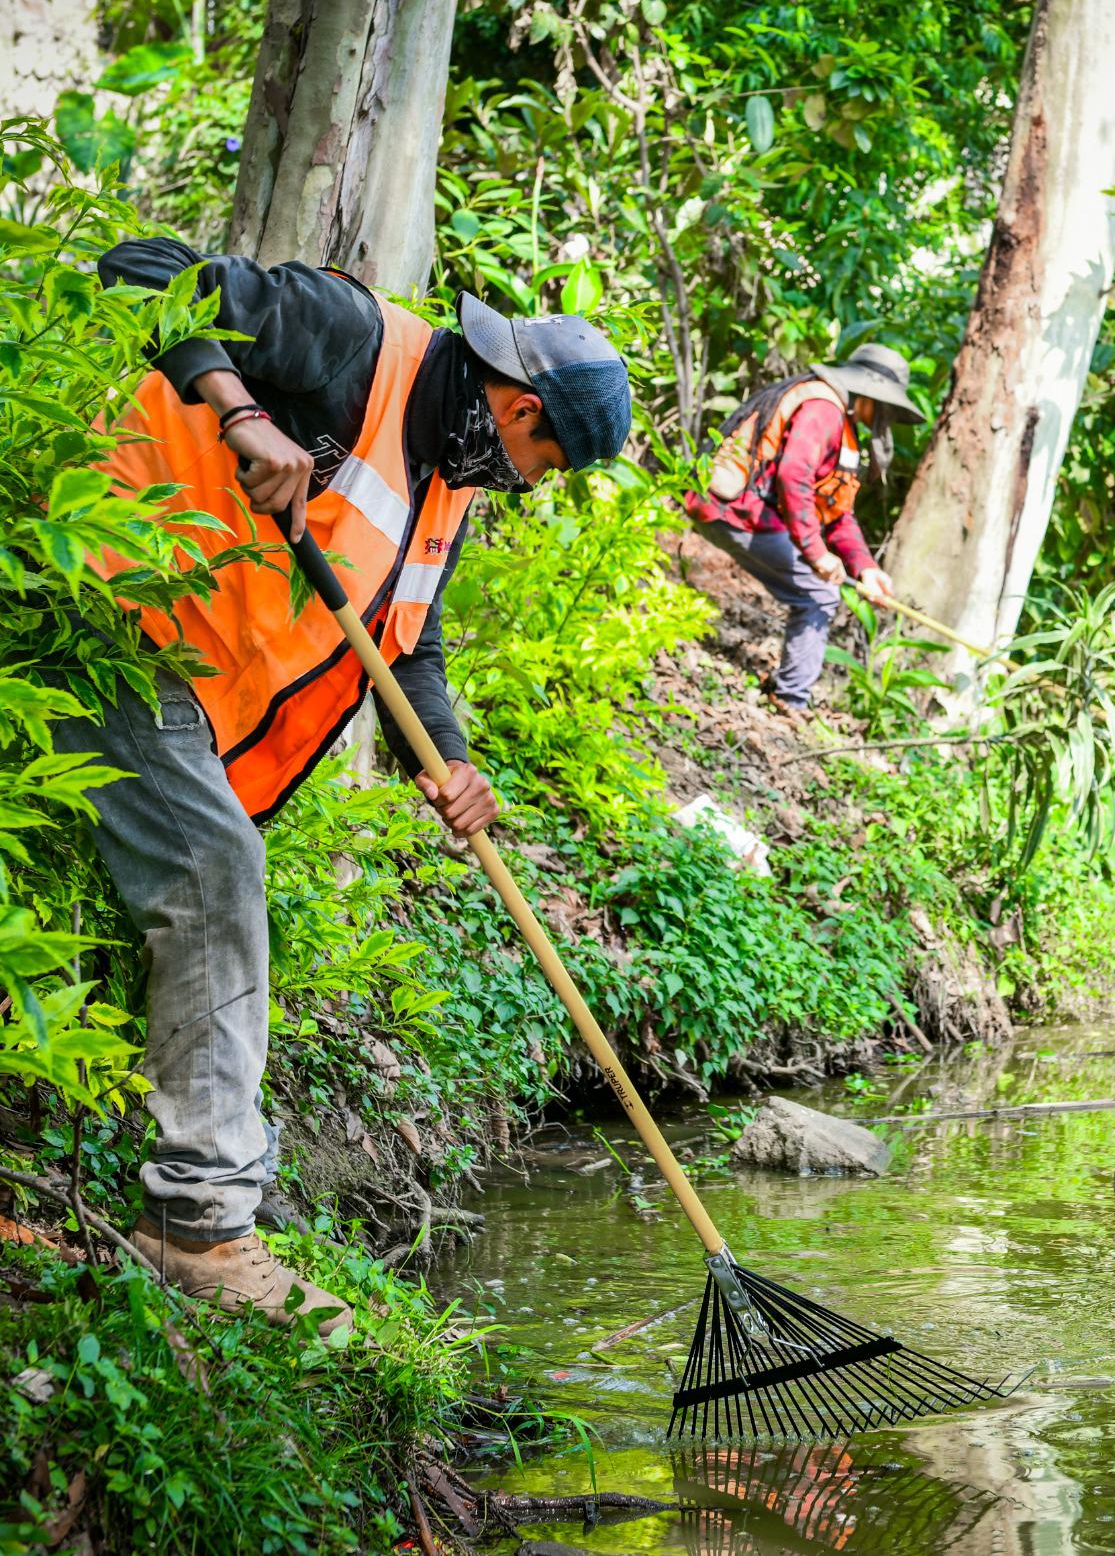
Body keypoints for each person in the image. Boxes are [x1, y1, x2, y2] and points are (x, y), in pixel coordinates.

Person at [76, 239, 631, 1335]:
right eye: (546, 461)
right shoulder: (352, 339)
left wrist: (449, 760)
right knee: (217, 871)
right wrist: (241, 413)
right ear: (521, 409)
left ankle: (206, 1188)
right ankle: (198, 1228)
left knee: (217, 870)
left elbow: (406, 646)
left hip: (185, 675)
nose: (531, 484)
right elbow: (143, 271)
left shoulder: (447, 489)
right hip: (106, 602)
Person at [683, 343, 922, 710]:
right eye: (885, 408)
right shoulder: (824, 409)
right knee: (819, 594)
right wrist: (817, 553)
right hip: (735, 509)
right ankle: (791, 699)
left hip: (743, 512)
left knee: (819, 592)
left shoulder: (839, 419)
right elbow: (794, 476)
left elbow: (838, 513)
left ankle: (789, 692)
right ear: (868, 394)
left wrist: (866, 568)